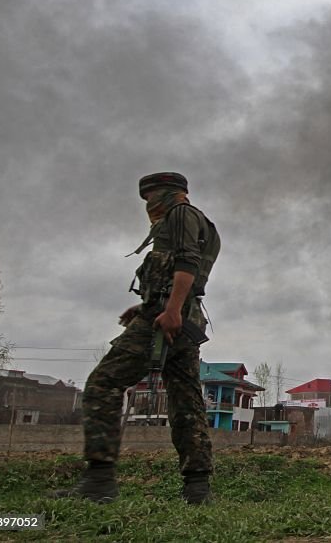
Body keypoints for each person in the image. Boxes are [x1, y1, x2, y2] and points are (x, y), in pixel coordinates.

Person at [61, 172, 221, 504]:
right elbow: (177, 273)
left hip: (168, 319)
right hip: (182, 320)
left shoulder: (179, 216)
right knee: (186, 402)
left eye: (150, 199)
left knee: (103, 383)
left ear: (168, 194)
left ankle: (99, 483)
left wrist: (170, 309)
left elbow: (186, 263)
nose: (148, 207)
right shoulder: (198, 220)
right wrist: (149, 304)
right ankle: (197, 489)